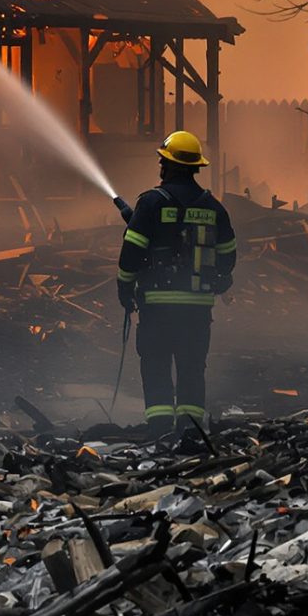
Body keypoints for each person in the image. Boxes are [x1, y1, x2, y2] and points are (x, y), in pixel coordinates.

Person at [112, 129, 236, 448]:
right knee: (192, 366)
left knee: (155, 365)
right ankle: (191, 431)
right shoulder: (213, 207)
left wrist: (125, 290)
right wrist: (221, 278)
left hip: (156, 307)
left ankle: (160, 430)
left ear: (166, 166)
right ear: (195, 167)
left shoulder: (151, 203)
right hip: (197, 309)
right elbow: (228, 253)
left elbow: (131, 253)